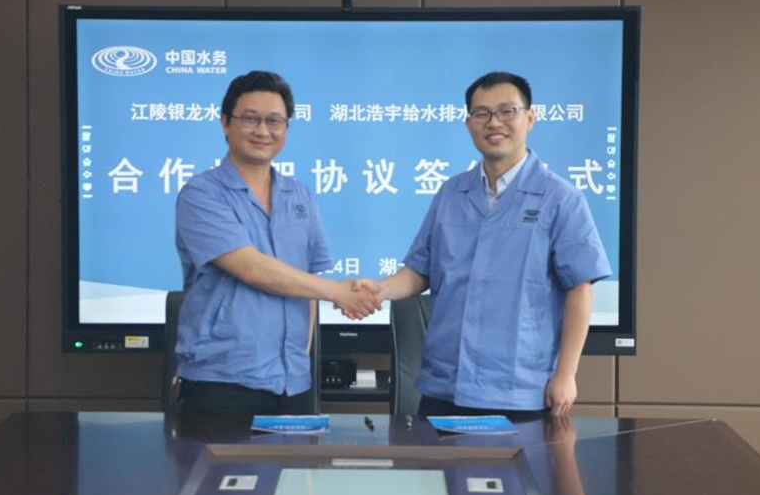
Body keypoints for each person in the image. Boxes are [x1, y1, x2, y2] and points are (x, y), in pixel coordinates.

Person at [355, 71, 612, 418]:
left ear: (529, 118)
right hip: (444, 385)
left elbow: (580, 288)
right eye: (482, 113)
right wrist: (380, 289)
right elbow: (419, 271)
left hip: (519, 390)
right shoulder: (451, 193)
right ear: (468, 123)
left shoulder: (560, 198)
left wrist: (566, 375)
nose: (494, 123)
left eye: (507, 111)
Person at [175, 70, 378, 414]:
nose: (262, 131)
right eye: (249, 119)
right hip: (222, 380)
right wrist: (338, 292)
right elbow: (252, 269)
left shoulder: (299, 195)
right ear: (225, 122)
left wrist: (300, 357)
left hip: (292, 381)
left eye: (274, 121)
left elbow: (308, 281)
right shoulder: (201, 194)